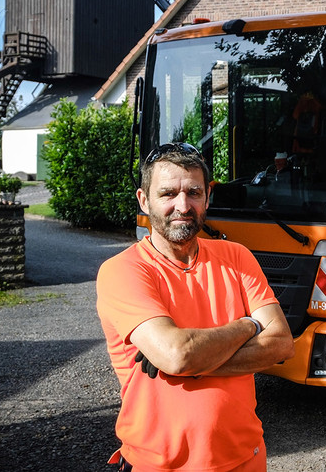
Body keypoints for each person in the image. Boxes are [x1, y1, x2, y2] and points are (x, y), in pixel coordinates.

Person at [97, 142, 294, 471]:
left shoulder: (237, 258)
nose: (182, 205)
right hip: (159, 464)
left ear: (207, 197)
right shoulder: (124, 270)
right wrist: (249, 325)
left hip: (245, 459)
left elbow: (281, 344)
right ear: (144, 201)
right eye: (168, 194)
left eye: (193, 192)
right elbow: (178, 354)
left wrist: (181, 364)